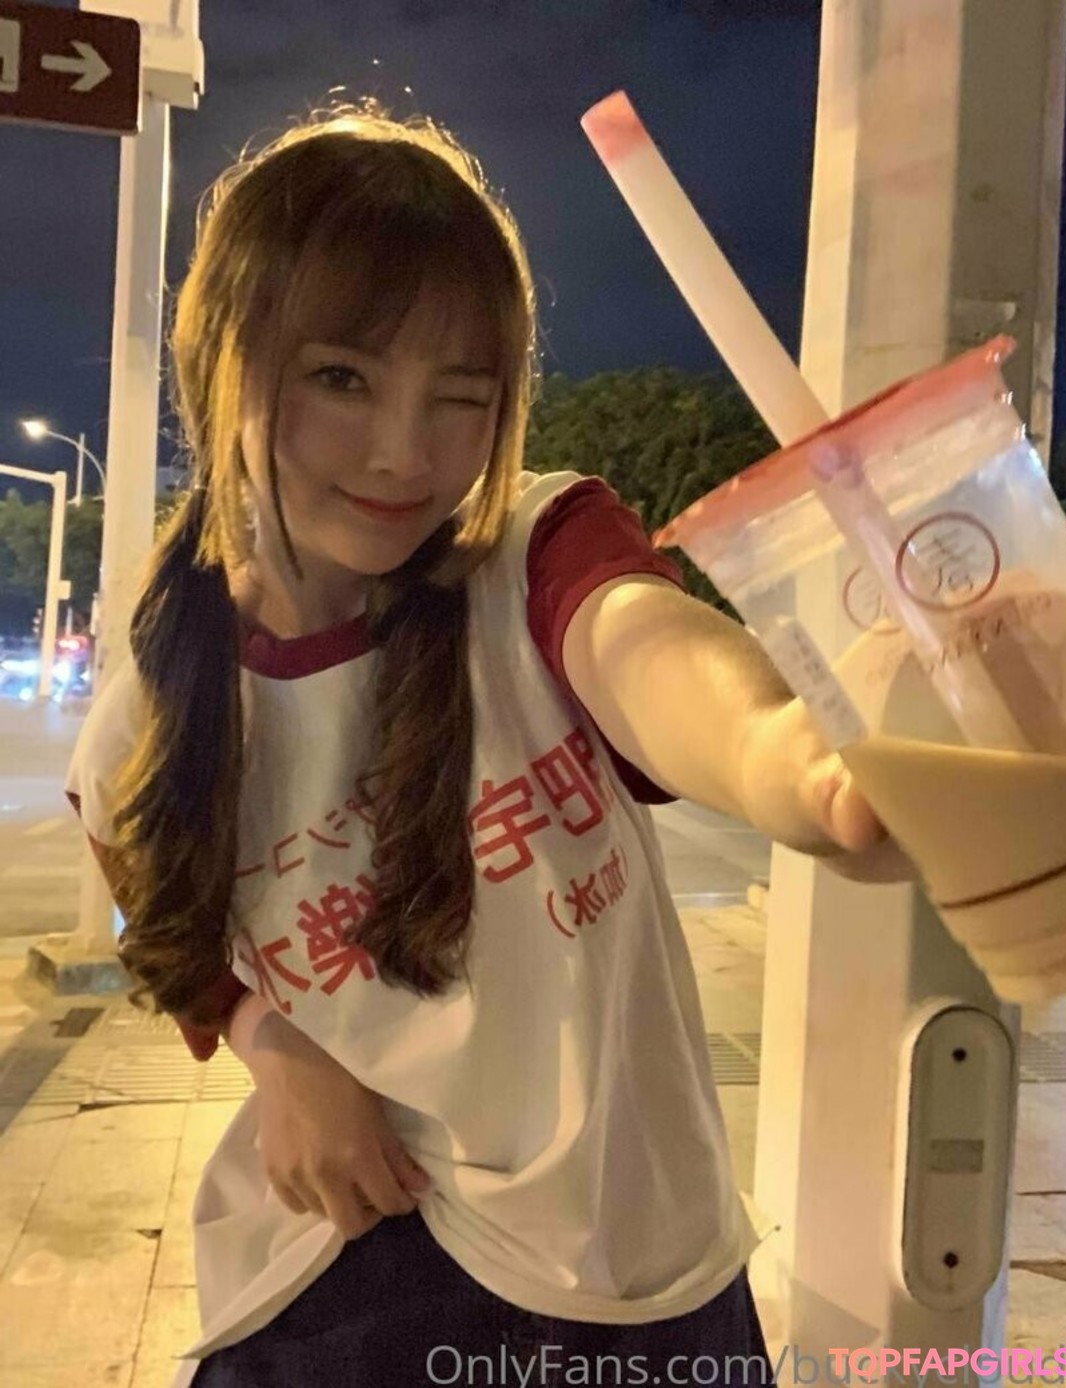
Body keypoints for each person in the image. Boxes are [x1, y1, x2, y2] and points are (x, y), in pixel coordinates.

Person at [66, 100, 907, 1388]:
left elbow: (647, 648)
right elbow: (149, 894)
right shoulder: (153, 702)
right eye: (342, 378)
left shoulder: (529, 555)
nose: (406, 454)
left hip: (655, 1274)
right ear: (227, 363)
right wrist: (272, 1046)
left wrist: (799, 762)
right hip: (347, 1280)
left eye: (461, 397)